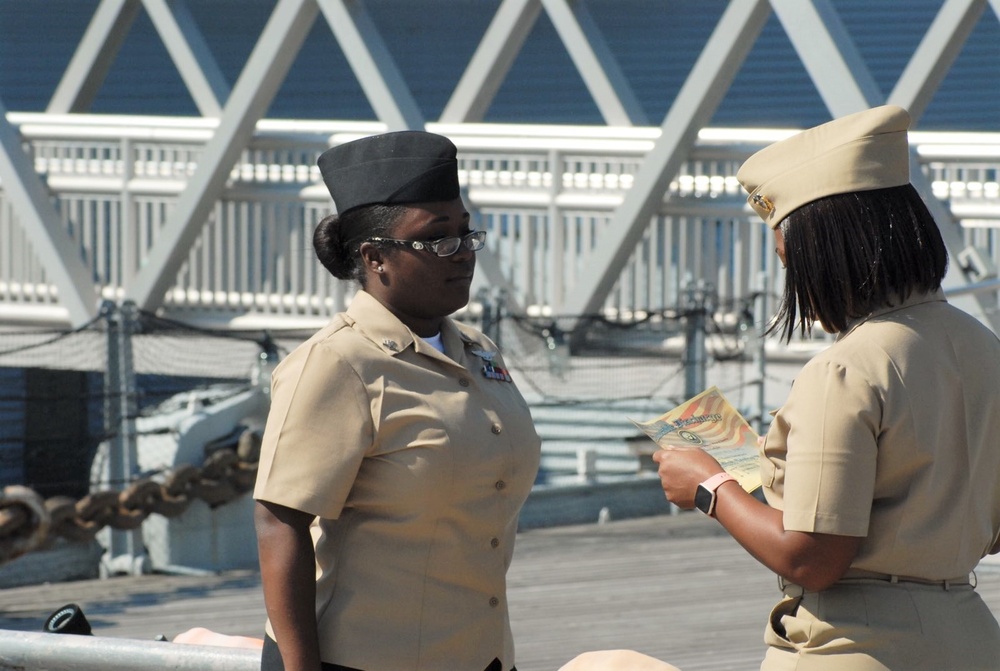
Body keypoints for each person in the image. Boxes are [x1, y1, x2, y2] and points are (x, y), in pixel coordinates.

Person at [563, 105, 1000, 670]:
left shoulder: (845, 369)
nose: (791, 282)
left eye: (789, 261)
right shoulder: (982, 345)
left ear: (825, 254)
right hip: (970, 637)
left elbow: (813, 558)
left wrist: (711, 484)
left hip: (856, 649)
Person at [253, 130, 541, 671]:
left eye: (465, 233)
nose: (462, 254)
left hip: (479, 655)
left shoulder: (477, 350)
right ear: (375, 257)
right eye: (437, 240)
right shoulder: (337, 363)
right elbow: (279, 520)